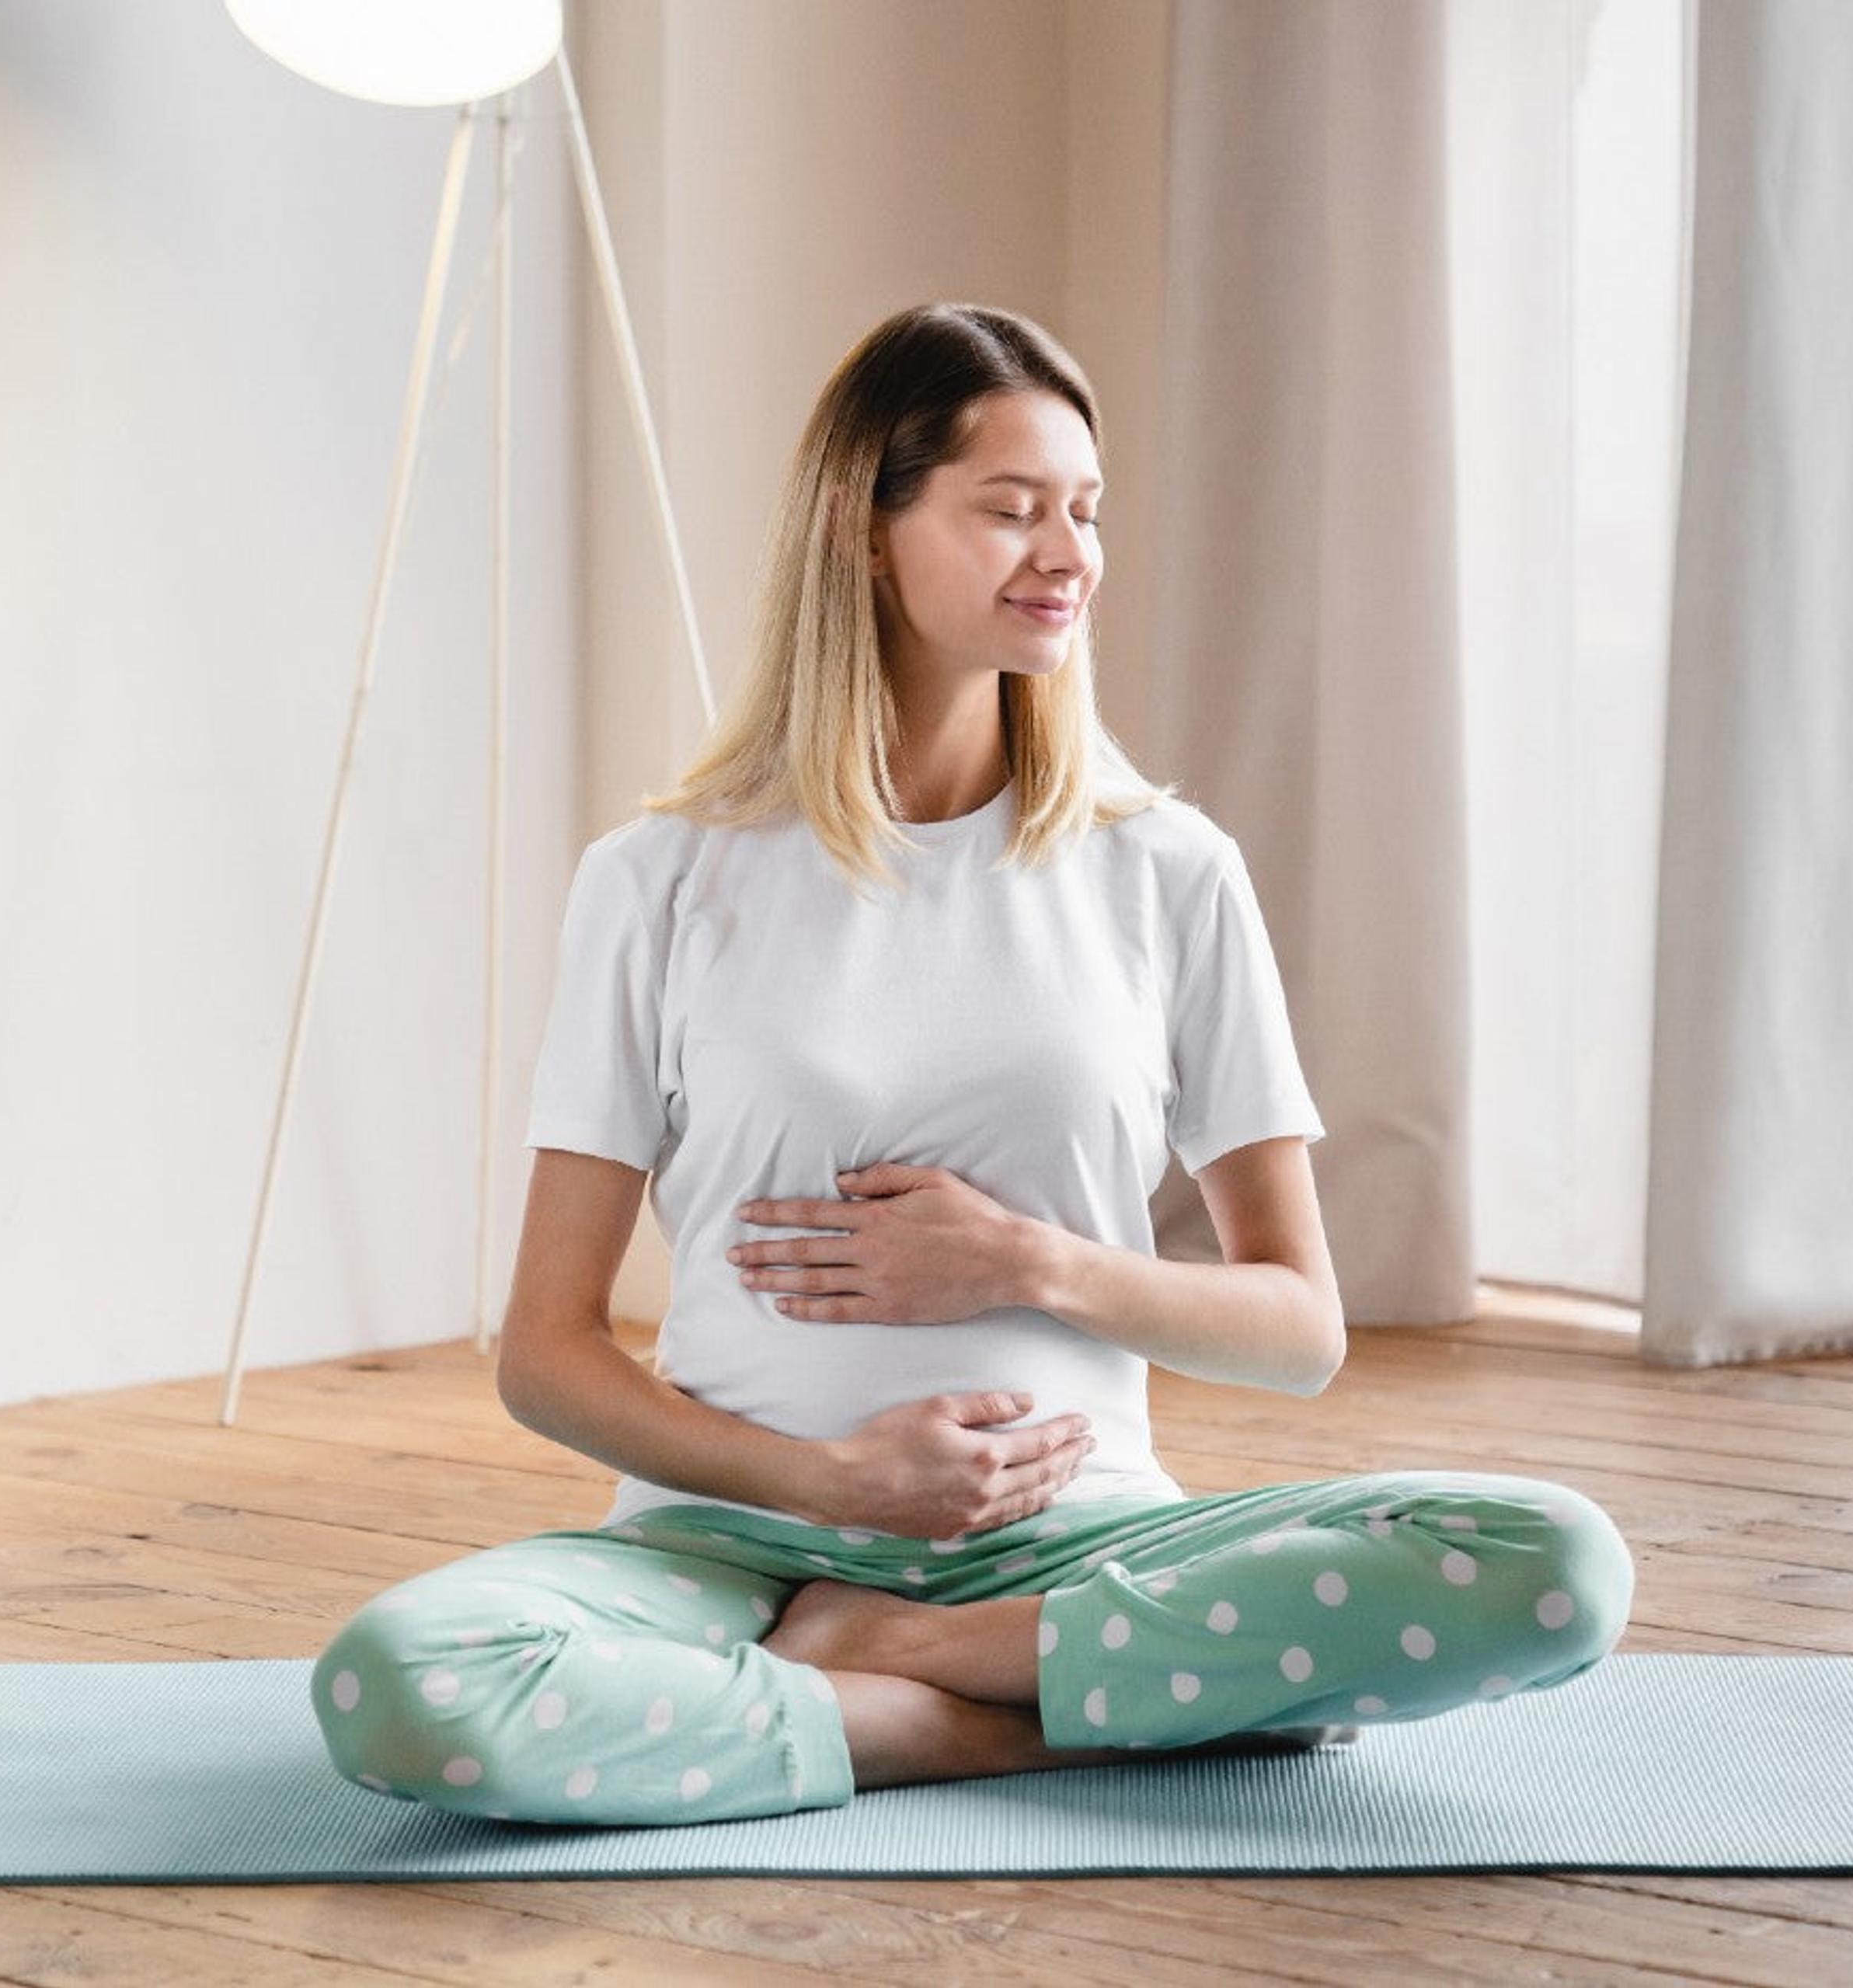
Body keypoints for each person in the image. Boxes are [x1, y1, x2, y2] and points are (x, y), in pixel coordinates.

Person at [310, 302, 1634, 1826]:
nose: (1064, 551)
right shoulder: (658, 879)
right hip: (731, 1546)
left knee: (1555, 1566)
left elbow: (1300, 1327)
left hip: (1081, 1546)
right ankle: (1014, 1722)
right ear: (863, 529)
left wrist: (1030, 1262)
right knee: (401, 1681)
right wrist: (835, 1488)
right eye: (1010, 509)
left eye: (1084, 511)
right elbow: (544, 1347)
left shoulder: (1170, 872)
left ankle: (910, 1661)